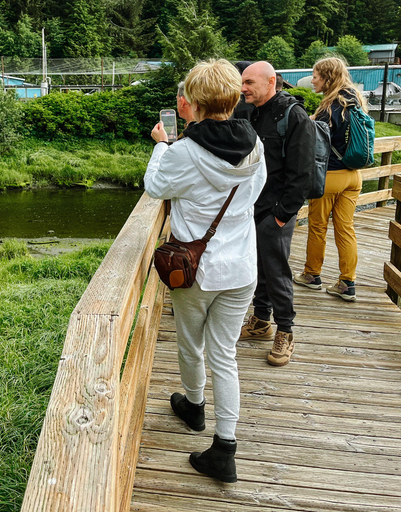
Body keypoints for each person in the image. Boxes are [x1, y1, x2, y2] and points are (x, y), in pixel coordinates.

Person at [145, 59, 267, 483]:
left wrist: (161, 145)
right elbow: (255, 192)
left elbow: (156, 187)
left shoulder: (184, 151)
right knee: (225, 355)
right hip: (242, 268)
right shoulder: (255, 144)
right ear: (235, 98)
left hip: (196, 271)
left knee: (189, 345)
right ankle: (225, 448)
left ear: (194, 102)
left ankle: (194, 408)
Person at [236, 61, 316, 366]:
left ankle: (285, 331)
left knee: (277, 269)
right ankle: (261, 321)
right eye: (243, 82)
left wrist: (282, 215)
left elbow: (302, 173)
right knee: (258, 266)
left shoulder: (293, 116)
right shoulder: (251, 111)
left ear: (271, 82)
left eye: (250, 83)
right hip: (252, 206)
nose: (243, 88)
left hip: (277, 210)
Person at [293, 57, 366, 301]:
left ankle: (312, 275)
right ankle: (347, 283)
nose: (312, 80)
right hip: (354, 176)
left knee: (318, 227)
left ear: (327, 77)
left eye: (315, 75)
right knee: (346, 229)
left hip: (331, 176)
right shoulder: (355, 101)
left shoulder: (329, 107)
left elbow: (316, 143)